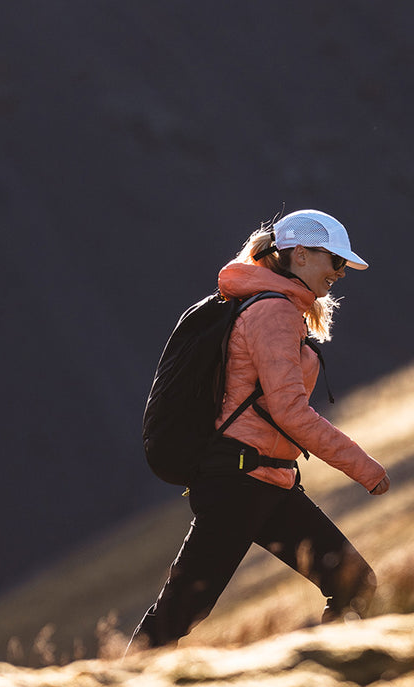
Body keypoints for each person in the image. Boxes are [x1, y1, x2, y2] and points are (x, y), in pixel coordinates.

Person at [129, 209, 392, 649]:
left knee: (353, 583)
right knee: (178, 614)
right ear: (302, 255)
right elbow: (289, 411)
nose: (341, 273)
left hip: (263, 479)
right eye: (336, 261)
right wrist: (365, 468)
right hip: (239, 482)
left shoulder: (276, 306)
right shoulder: (274, 312)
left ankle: (315, 682)